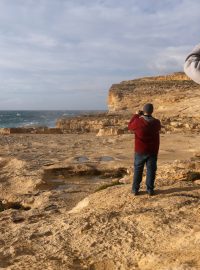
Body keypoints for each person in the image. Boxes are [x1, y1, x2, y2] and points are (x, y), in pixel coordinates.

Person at [128, 103, 161, 196]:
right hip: (152, 150)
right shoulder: (157, 122)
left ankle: (135, 190)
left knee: (138, 170)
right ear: (152, 111)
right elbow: (158, 127)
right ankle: (150, 190)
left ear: (144, 111)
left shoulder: (138, 122)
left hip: (140, 150)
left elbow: (130, 126)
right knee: (151, 170)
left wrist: (136, 115)